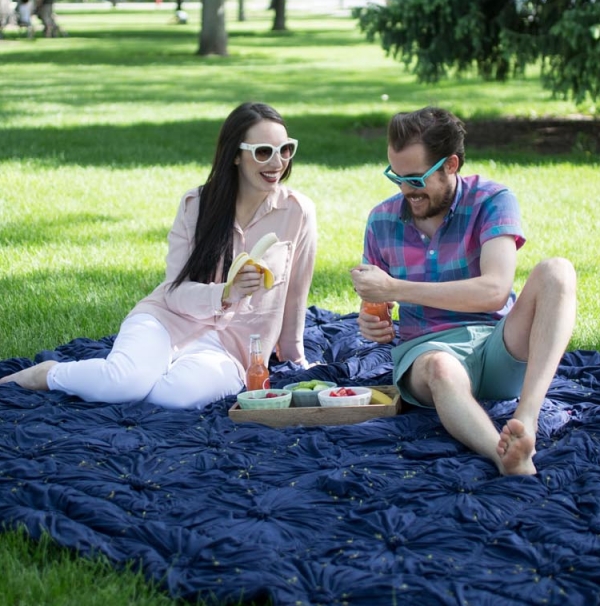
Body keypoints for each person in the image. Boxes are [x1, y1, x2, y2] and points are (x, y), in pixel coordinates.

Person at [0, 102, 317, 409]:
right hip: (167, 320)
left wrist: (294, 358)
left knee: (173, 396)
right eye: (264, 152)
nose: (278, 162)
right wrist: (226, 293)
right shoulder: (197, 205)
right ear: (235, 155)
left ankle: (142, 372)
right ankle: (48, 374)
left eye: (286, 149)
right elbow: (174, 291)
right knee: (125, 383)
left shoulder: (297, 212)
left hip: (232, 348)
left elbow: (295, 294)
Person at [351, 106, 576, 476]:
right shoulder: (381, 220)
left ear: (451, 164)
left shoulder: (492, 200)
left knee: (558, 271)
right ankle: (505, 456)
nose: (406, 189)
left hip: (498, 344)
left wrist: (397, 287)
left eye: (416, 178)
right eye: (397, 176)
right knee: (441, 366)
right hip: (427, 351)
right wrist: (370, 321)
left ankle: (527, 422)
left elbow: (494, 292)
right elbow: (375, 305)